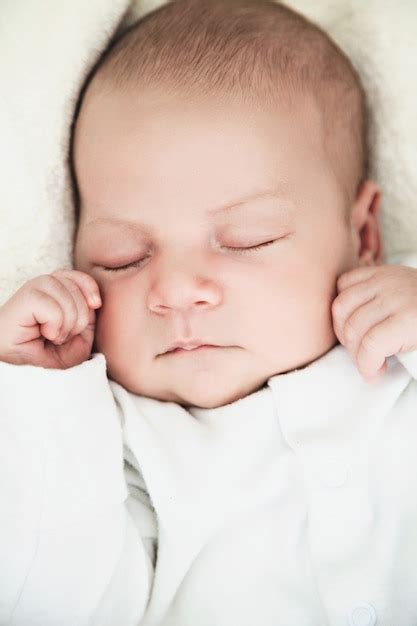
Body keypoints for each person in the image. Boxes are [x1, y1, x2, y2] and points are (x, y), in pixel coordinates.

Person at [1, 1, 417, 624]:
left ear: (363, 235)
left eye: (246, 239)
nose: (175, 290)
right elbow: (58, 602)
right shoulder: (117, 438)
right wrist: (41, 400)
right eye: (124, 257)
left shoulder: (400, 354)